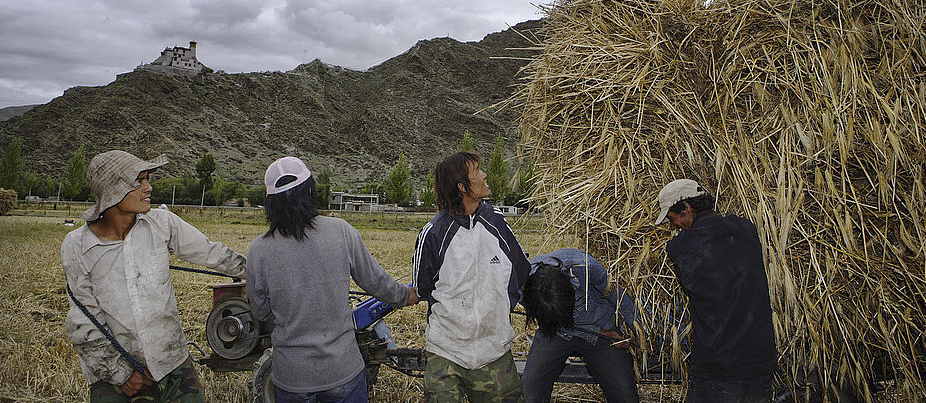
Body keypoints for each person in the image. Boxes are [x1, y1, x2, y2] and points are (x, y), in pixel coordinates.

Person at [61, 150, 247, 402]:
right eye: (139, 181)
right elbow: (83, 318)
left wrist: (260, 274)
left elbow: (214, 254)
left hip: (170, 360)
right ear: (113, 190)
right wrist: (121, 373)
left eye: (148, 179)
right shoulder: (77, 245)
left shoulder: (162, 223)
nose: (148, 187)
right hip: (115, 370)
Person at [245, 156, 417, 403]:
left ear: (270, 202)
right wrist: (404, 295)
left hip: (292, 377)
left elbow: (260, 311)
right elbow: (374, 281)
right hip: (343, 371)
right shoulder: (340, 231)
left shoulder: (258, 250)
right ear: (310, 190)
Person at [412, 151, 530, 403]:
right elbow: (423, 287)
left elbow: (520, 271)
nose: (485, 175)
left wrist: (498, 309)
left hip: (494, 352)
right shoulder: (433, 233)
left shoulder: (497, 223)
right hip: (446, 353)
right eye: (477, 171)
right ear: (461, 186)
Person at [655, 179, 777, 403]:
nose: (672, 227)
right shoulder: (745, 227)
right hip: (760, 359)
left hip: (719, 364)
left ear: (686, 208)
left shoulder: (680, 246)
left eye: (672, 219)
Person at [520, 248, 641, 403]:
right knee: (530, 388)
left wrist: (640, 334)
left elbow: (620, 299)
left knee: (625, 393)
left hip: (601, 328)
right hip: (555, 332)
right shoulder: (521, 282)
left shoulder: (586, 268)